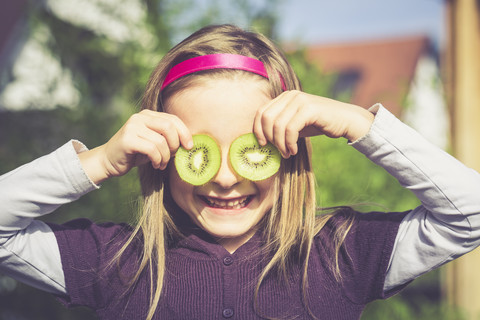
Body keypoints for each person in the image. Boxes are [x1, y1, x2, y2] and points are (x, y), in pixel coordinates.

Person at [1, 24, 479, 320]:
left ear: (290, 152)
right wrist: (100, 161)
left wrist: (358, 123)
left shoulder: (340, 253)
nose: (226, 178)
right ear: (159, 158)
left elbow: (470, 214)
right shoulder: (118, 262)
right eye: (201, 150)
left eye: (253, 148)